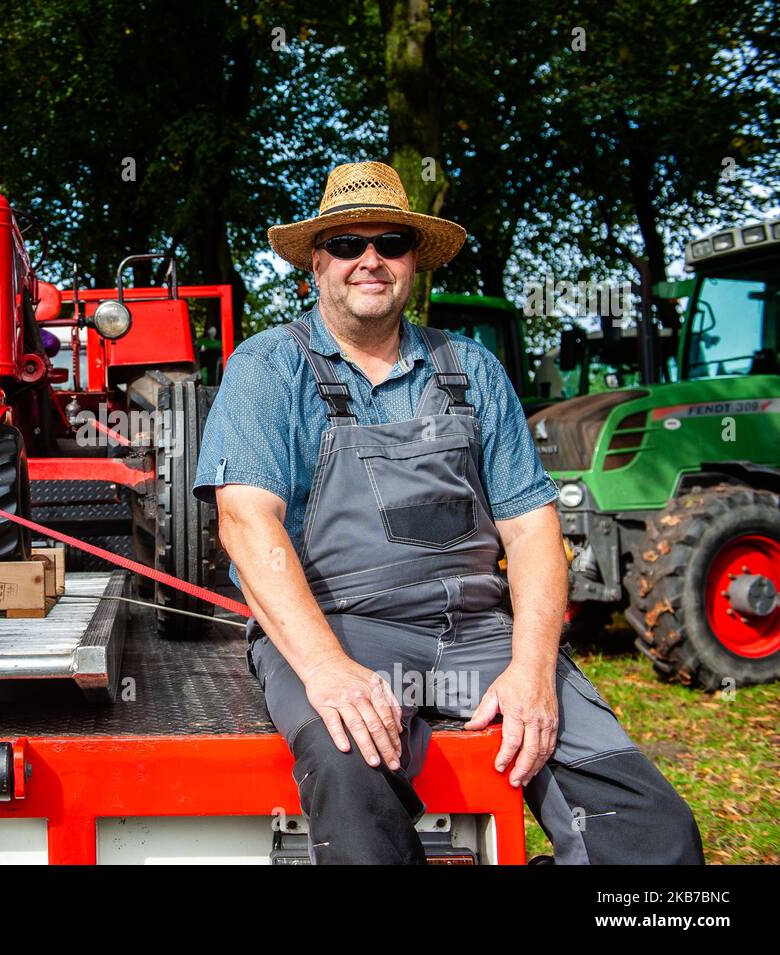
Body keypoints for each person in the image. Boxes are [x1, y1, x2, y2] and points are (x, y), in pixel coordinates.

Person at [193, 161, 703, 864]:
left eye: (391, 242)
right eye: (346, 243)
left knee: (656, 834)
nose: (369, 259)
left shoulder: (472, 368)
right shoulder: (269, 366)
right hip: (342, 627)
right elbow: (247, 523)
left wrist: (531, 669)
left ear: (414, 262)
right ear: (316, 261)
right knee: (352, 780)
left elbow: (531, 530)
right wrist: (326, 667)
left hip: (482, 634)